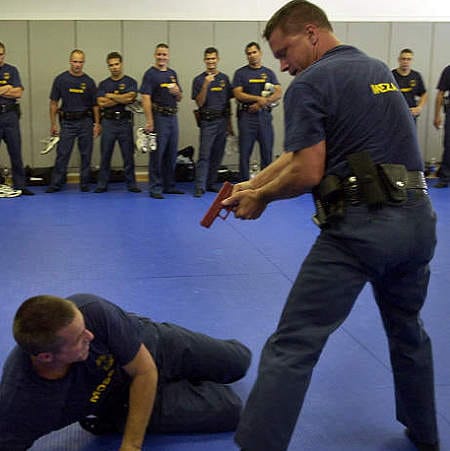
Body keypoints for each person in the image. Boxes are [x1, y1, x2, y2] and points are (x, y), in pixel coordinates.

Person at [222, 2, 440, 451]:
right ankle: (426, 433)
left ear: (312, 34)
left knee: (293, 344)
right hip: (418, 224)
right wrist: (253, 181)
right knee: (408, 331)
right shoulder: (375, 68)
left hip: (361, 230)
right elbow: (301, 153)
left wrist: (261, 199)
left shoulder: (311, 83)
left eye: (285, 52)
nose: (282, 66)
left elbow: (307, 171)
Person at [0, 293, 251, 450]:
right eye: (79, 338)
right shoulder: (21, 403)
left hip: (148, 347)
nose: (89, 335)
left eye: (84, 327)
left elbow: (144, 371)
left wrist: (131, 445)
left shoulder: (91, 310)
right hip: (118, 404)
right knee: (232, 409)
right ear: (46, 357)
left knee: (239, 361)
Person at [46, 49, 100, 193]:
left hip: (85, 122)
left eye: (80, 62)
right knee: (63, 153)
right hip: (67, 122)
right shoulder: (61, 79)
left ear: (84, 63)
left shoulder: (89, 82)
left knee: (86, 154)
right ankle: (56, 184)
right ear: (70, 61)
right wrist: (53, 124)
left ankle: (84, 184)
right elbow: (53, 103)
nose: (77, 65)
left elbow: (95, 105)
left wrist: (97, 124)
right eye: (75, 61)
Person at [232, 42, 282, 181]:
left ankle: (265, 184)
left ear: (260, 53)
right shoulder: (240, 73)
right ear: (246, 56)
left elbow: (278, 92)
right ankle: (243, 183)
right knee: (244, 153)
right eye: (249, 53)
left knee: (267, 152)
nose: (252, 56)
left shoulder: (269, 73)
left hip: (264, 117)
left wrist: (261, 103)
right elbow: (238, 94)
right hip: (246, 117)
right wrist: (259, 99)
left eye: (254, 52)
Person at [140, 43, 184, 199]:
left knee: (171, 153)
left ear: (168, 56)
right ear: (154, 55)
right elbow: (145, 98)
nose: (162, 57)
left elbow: (179, 98)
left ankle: (169, 185)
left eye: (164, 55)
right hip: (159, 117)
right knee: (158, 154)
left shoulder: (172, 74)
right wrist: (149, 120)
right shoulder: (150, 74)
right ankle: (155, 187)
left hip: (173, 117)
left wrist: (177, 92)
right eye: (159, 54)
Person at [95, 52, 141, 194]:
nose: (114, 67)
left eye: (116, 64)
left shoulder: (130, 82)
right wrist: (121, 98)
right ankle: (102, 184)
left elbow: (130, 98)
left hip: (124, 122)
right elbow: (101, 103)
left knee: (128, 155)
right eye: (111, 65)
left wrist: (111, 96)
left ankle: (131, 184)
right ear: (108, 67)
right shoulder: (103, 84)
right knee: (105, 155)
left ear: (121, 64)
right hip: (108, 122)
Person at [192, 47, 233, 197]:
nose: (211, 61)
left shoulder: (224, 79)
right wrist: (205, 85)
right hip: (207, 121)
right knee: (204, 155)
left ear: (218, 59)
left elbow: (228, 104)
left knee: (217, 154)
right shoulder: (198, 80)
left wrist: (230, 126)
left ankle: (210, 183)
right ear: (204, 60)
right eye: (208, 59)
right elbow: (199, 103)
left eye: (213, 58)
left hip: (222, 120)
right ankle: (199, 186)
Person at [0, 42, 34, 196]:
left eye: (1, 54)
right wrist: (7, 88)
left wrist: (6, 90)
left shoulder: (11, 70)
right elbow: (12, 90)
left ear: (4, 54)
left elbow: (18, 93)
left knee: (15, 151)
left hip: (10, 116)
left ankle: (20, 185)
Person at [391, 48, 427, 122]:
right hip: (394, 114)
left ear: (412, 61)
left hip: (411, 115)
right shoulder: (390, 75)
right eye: (403, 59)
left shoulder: (416, 76)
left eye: (408, 59)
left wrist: (419, 108)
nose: (405, 61)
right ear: (399, 60)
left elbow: (424, 93)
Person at [433, 65, 450, 188]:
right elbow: (440, 93)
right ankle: (445, 177)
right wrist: (437, 115)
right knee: (449, 145)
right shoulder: (448, 70)